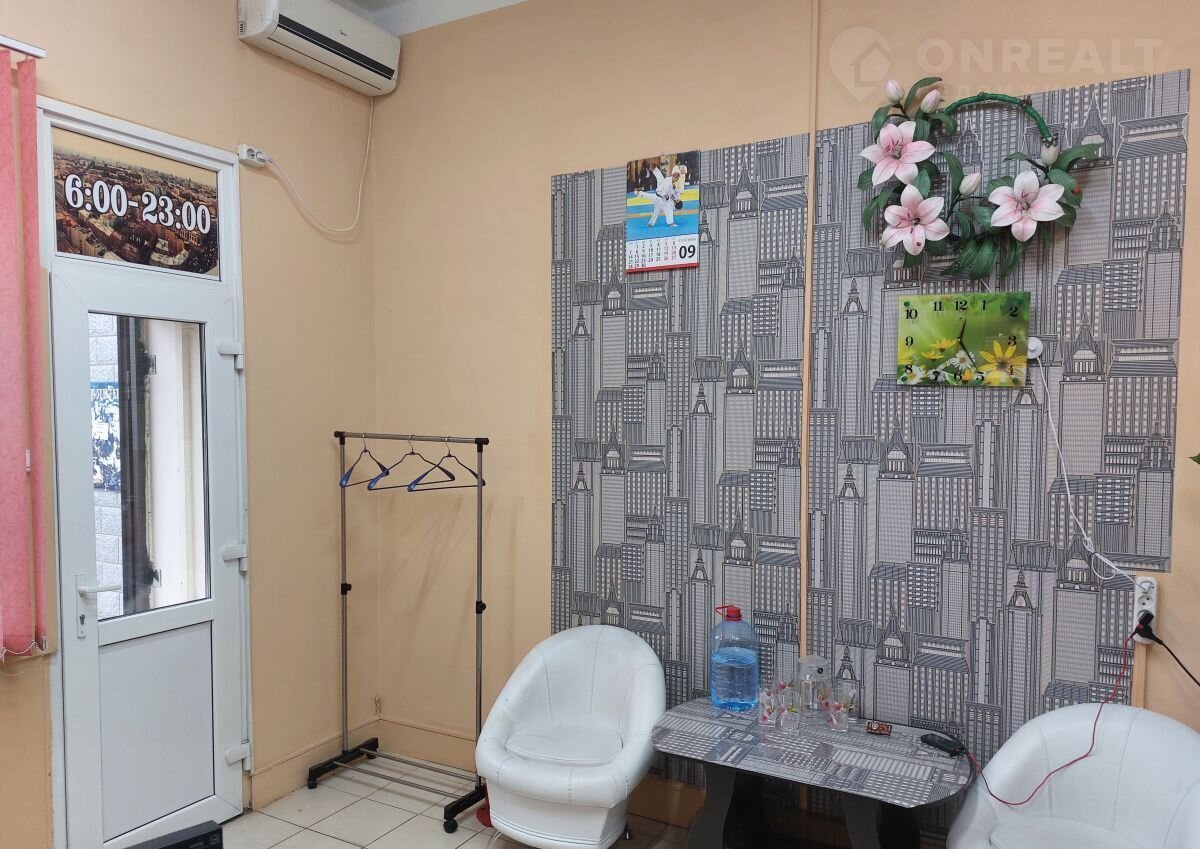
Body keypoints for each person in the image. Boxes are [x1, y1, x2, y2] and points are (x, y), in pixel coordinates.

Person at [633, 157, 679, 228]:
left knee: (656, 211)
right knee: (668, 208)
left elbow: (672, 193)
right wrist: (669, 198)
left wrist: (674, 194)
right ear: (674, 176)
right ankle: (670, 223)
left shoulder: (670, 183)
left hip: (659, 196)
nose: (677, 179)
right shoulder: (668, 182)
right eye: (677, 177)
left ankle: (651, 223)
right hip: (660, 197)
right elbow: (665, 194)